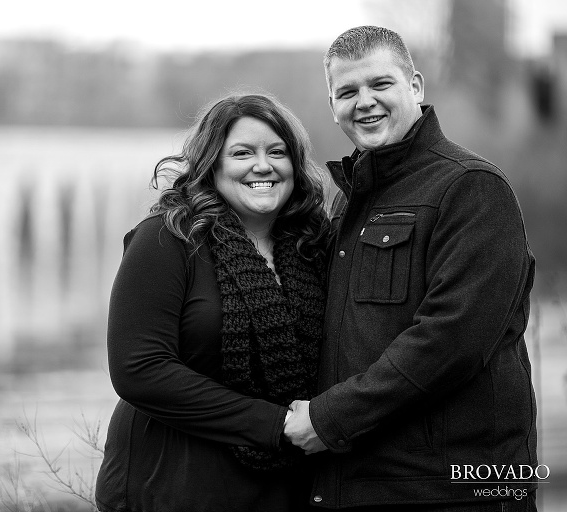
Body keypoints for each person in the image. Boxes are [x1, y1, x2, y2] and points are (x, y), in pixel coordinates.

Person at [283, 26, 538, 510]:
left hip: (453, 492)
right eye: (348, 92)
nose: (365, 102)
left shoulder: (471, 188)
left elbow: (450, 342)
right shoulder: (348, 202)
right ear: (332, 104)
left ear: (415, 87)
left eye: (381, 85)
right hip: (362, 484)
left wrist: (329, 419)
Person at [95, 92, 330, 512]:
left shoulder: (312, 248)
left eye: (277, 152)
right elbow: (139, 369)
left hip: (280, 487)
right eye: (242, 153)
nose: (263, 165)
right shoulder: (168, 239)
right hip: (170, 483)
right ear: (212, 164)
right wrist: (274, 425)